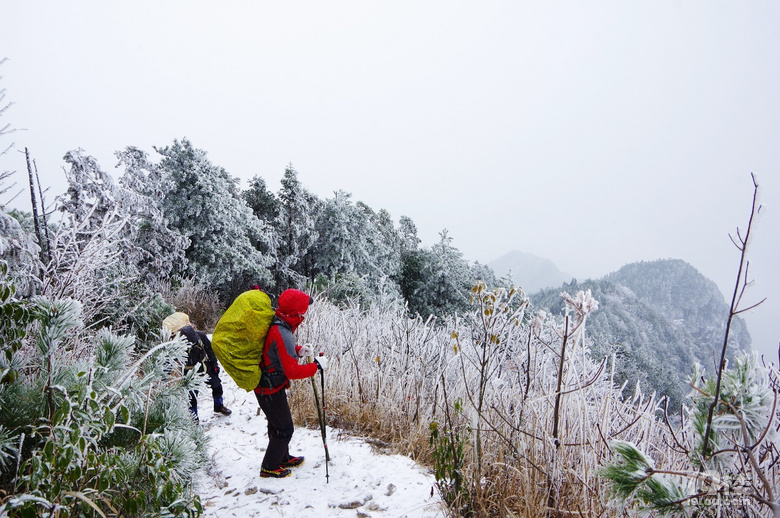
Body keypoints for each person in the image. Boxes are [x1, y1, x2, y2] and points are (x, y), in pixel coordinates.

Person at [254, 288, 327, 478]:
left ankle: (282, 457)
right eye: (302, 312)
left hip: (268, 385)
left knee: (276, 425)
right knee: (284, 429)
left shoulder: (279, 325)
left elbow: (277, 350)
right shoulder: (282, 331)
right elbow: (292, 371)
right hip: (269, 388)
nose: (304, 315)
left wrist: (298, 350)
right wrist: (316, 367)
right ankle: (269, 466)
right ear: (294, 312)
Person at [163, 312, 232, 422]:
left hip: (205, 367)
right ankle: (194, 419)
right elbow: (169, 360)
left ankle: (219, 406)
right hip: (189, 372)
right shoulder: (176, 344)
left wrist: (214, 365)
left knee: (217, 386)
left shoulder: (200, 336)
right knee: (192, 397)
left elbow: (210, 351)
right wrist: (165, 374)